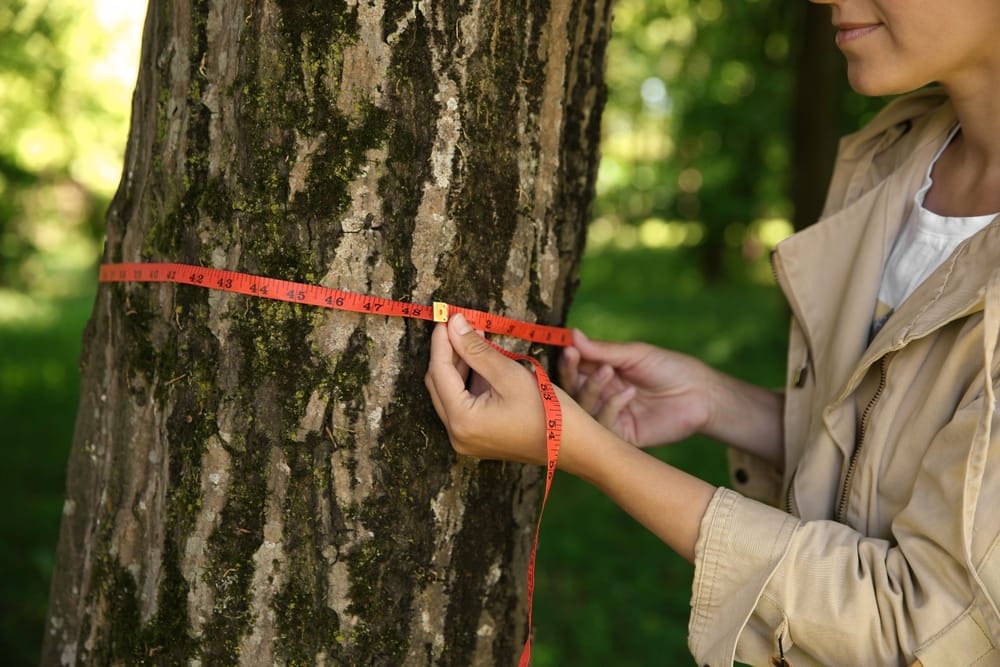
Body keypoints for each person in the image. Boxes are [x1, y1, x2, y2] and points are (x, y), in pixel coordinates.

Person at [424, 0, 1000, 664]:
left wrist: (589, 452)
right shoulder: (894, 159)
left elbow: (915, 627)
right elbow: (902, 461)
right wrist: (719, 402)